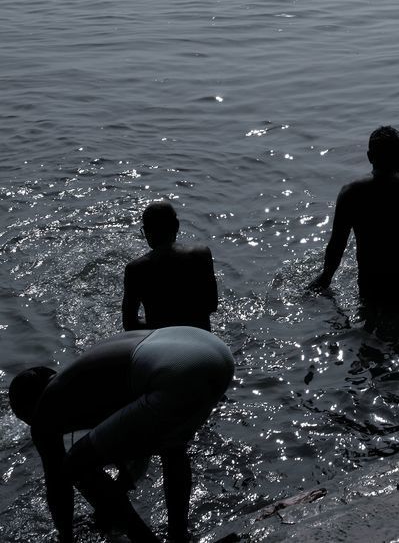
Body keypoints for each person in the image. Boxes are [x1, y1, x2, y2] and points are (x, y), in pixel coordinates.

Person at [8, 326, 234, 543]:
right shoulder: (83, 378)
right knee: (172, 446)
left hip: (176, 373)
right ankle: (179, 535)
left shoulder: (45, 409)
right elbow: (132, 436)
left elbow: (59, 486)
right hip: (213, 352)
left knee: (76, 463)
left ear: (30, 410)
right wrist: (115, 494)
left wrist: (66, 536)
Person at [309, 126, 399, 302]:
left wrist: (325, 277)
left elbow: (336, 245)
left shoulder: (350, 194)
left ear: (370, 157)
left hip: (372, 290)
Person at [123, 200, 219, 331]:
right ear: (177, 226)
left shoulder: (135, 269)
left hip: (161, 343)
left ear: (146, 232)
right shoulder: (201, 255)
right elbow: (212, 305)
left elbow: (129, 324)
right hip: (200, 337)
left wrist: (156, 322)